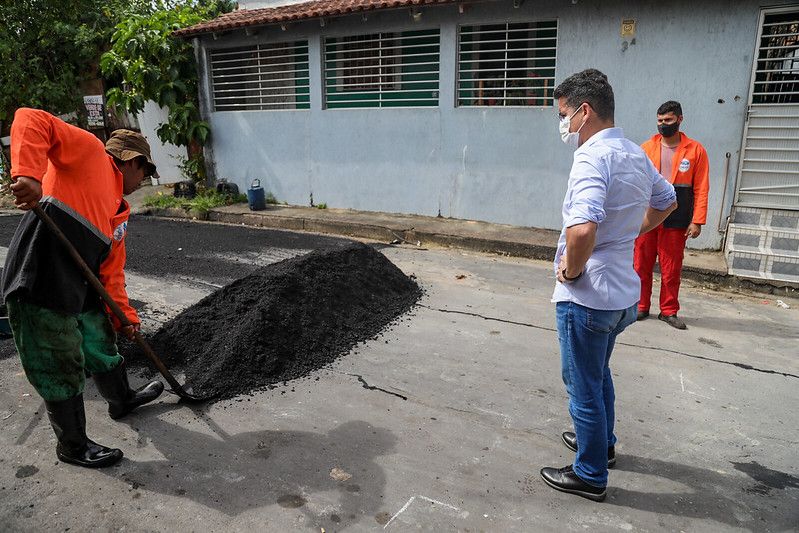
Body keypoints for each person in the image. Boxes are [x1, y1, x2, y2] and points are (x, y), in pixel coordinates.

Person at [540, 69, 677, 501]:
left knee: (581, 383)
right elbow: (668, 199)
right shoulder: (636, 154)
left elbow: (581, 231)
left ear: (585, 111)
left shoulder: (592, 157)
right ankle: (604, 445)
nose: (563, 125)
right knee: (597, 375)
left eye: (565, 115)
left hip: (590, 295)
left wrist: (573, 272)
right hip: (621, 294)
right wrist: (630, 232)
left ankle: (590, 472)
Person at [2, 108, 165, 468]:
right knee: (59, 359)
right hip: (41, 278)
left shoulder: (118, 212)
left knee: (99, 339)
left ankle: (121, 399)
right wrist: (27, 174)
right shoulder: (90, 153)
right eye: (146, 171)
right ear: (131, 161)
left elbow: (112, 277)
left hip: (80, 286)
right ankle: (72, 446)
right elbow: (31, 118)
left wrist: (125, 318)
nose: (145, 180)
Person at [634, 101, 710, 330]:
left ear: (679, 119)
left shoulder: (696, 150)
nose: (663, 125)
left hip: (677, 218)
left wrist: (697, 220)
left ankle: (668, 311)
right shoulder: (646, 148)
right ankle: (640, 306)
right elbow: (635, 183)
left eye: (667, 120)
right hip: (648, 216)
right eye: (659, 121)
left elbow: (702, 188)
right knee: (640, 264)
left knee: (671, 267)